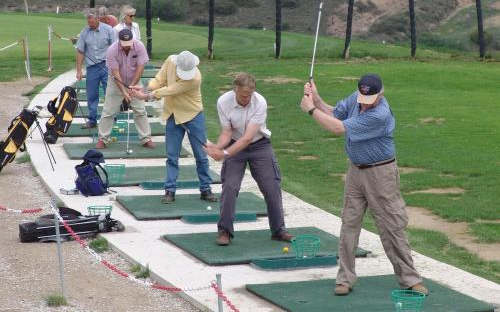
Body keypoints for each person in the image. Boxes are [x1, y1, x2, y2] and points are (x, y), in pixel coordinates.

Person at [300, 73, 428, 296]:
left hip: (381, 174)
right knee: (349, 224)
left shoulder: (380, 114)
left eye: (370, 99)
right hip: (355, 172)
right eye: (363, 97)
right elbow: (334, 114)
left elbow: (338, 128)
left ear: (381, 93)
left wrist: (311, 109)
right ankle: (345, 278)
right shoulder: (357, 97)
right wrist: (317, 99)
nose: (365, 103)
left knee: (391, 226)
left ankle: (409, 279)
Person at [204, 73, 294, 246]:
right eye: (243, 95)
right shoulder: (223, 102)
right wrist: (218, 147)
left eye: (249, 95)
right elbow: (227, 132)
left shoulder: (260, 102)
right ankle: (225, 231)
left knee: (271, 186)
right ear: (234, 89)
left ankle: (278, 230)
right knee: (230, 187)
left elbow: (248, 137)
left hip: (259, 145)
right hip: (234, 144)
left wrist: (224, 154)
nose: (246, 99)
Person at [129, 51, 217, 203]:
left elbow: (170, 90)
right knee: (172, 156)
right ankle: (170, 191)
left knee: (201, 156)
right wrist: (145, 88)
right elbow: (159, 79)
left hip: (193, 115)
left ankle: (205, 189)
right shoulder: (170, 61)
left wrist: (146, 95)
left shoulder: (195, 78)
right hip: (173, 114)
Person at [95, 29, 154, 149]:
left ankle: (146, 138)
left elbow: (141, 67)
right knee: (108, 111)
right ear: (119, 40)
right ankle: (102, 139)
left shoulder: (139, 46)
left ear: (132, 39)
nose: (127, 47)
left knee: (140, 110)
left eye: (129, 44)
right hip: (115, 81)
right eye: (124, 44)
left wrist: (132, 86)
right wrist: (124, 92)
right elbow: (115, 73)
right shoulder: (112, 50)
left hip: (134, 80)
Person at [76, 8, 116, 129]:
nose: (89, 22)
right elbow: (80, 51)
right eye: (87, 20)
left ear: (98, 18)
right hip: (92, 68)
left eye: (91, 20)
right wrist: (78, 70)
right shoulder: (84, 32)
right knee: (91, 94)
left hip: (106, 65)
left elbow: (115, 49)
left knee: (109, 92)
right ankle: (92, 120)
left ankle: (111, 118)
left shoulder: (108, 30)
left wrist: (115, 67)